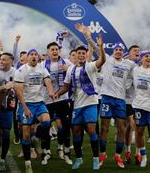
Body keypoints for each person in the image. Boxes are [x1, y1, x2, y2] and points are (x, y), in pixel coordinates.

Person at [56, 33, 106, 170]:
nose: (81, 55)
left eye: (84, 53)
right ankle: (79, 158)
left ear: (86, 55)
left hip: (90, 103)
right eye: (79, 53)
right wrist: (57, 93)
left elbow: (102, 61)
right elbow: (66, 86)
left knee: (91, 129)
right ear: (76, 55)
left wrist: (101, 48)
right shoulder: (70, 69)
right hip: (76, 104)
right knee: (76, 132)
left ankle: (96, 158)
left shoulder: (90, 66)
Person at [14, 48, 56, 173]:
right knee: (26, 134)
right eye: (31, 54)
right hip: (26, 104)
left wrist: (50, 92)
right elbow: (19, 92)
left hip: (39, 103)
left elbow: (47, 80)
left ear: (37, 57)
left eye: (35, 55)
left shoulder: (42, 68)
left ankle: (37, 137)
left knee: (47, 122)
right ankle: (28, 164)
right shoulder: (21, 70)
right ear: (27, 58)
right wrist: (25, 108)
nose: (33, 56)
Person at [98, 43, 135, 169]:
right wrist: (90, 38)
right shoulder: (107, 59)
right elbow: (98, 49)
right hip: (106, 98)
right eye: (116, 49)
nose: (118, 51)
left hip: (120, 100)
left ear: (122, 52)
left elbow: (140, 71)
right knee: (104, 128)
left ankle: (118, 155)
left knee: (121, 128)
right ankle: (102, 154)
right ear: (113, 51)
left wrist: (128, 84)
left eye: (120, 50)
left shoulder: (129, 64)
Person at [42, 42, 73, 165]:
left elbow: (77, 71)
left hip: (62, 99)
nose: (55, 51)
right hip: (47, 100)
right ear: (48, 51)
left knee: (65, 127)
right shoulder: (42, 64)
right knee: (46, 127)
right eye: (52, 49)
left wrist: (69, 69)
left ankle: (65, 151)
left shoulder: (67, 63)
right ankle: (46, 152)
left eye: (56, 49)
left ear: (59, 51)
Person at [124, 45, 140, 164]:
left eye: (138, 51)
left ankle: (138, 152)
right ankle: (128, 150)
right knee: (130, 125)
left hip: (139, 102)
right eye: (135, 51)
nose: (137, 52)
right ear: (129, 53)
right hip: (127, 101)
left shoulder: (141, 66)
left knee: (139, 126)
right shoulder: (124, 64)